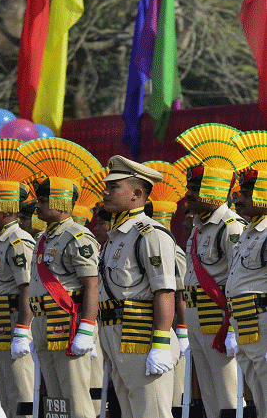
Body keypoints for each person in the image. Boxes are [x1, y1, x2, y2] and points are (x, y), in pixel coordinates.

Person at [17, 138, 101, 418]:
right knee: (55, 402)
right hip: (43, 323)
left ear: (60, 202)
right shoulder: (43, 238)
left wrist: (87, 329)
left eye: (42, 201)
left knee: (75, 398)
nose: (36, 207)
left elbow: (91, 285)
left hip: (69, 323)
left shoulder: (78, 236)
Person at [99, 156, 178, 418]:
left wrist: (161, 345)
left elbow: (164, 290)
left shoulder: (150, 233)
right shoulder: (116, 236)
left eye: (114, 187)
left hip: (140, 336)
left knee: (151, 412)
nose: (105, 191)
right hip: (115, 334)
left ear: (136, 194)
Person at [176, 124, 246, 418]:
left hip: (219, 321)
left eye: (194, 189)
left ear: (214, 190)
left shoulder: (231, 227)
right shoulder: (198, 227)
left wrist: (233, 327)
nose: (187, 195)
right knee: (208, 395)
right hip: (196, 319)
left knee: (228, 392)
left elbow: (237, 280)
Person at [0, 184, 36, 418]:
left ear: (5, 210)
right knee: (1, 393)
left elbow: (27, 288)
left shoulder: (18, 241)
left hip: (10, 321)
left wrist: (22, 331)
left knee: (20, 390)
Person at [226, 131, 267, 418]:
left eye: (248, 193)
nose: (238, 199)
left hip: (263, 322)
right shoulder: (250, 231)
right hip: (246, 322)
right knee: (259, 394)